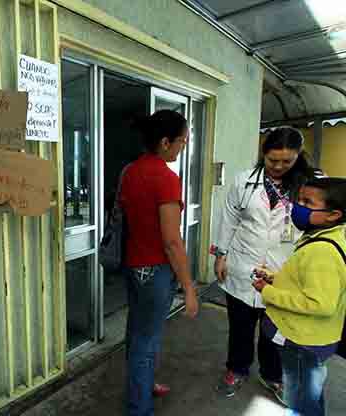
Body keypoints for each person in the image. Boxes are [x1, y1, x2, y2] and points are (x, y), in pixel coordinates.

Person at [211, 127, 318, 400]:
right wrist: (221, 255)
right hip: (242, 266)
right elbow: (229, 219)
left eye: (287, 161)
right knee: (240, 327)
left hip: (283, 271)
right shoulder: (244, 180)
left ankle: (272, 375)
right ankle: (237, 369)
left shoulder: (311, 185)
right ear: (263, 154)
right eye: (273, 160)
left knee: (275, 330)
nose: (279, 167)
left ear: (298, 157)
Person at [119, 109, 199, 416]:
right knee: (147, 340)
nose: (182, 147)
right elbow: (171, 241)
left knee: (136, 332)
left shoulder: (130, 171)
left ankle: (143, 384)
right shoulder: (166, 178)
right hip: (154, 270)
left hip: (132, 265)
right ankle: (140, 408)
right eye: (182, 141)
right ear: (165, 142)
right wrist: (189, 287)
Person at [252, 177, 346, 416]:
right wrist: (276, 278)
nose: (297, 206)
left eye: (307, 202)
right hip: (313, 340)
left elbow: (321, 304)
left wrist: (268, 291)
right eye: (299, 199)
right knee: (309, 391)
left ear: (333, 214)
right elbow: (309, 283)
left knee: (301, 400)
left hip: (303, 342)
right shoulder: (327, 235)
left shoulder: (321, 250)